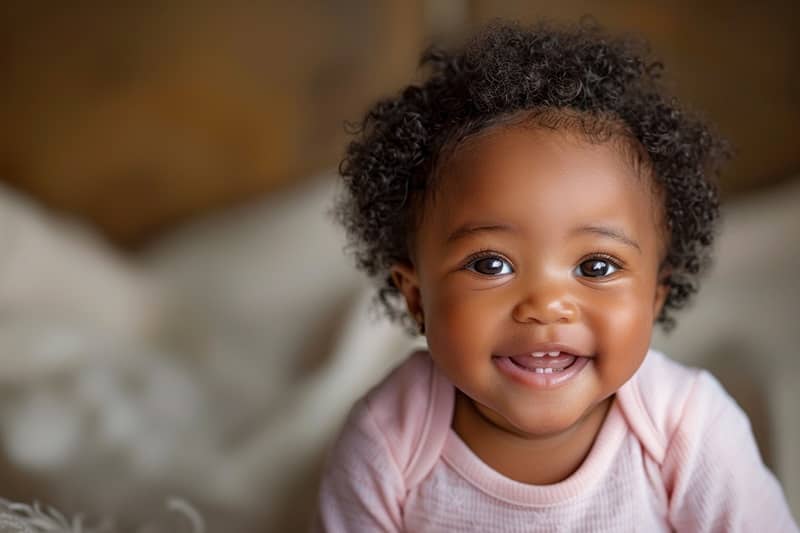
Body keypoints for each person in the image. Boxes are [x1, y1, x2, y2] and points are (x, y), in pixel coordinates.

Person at [315, 20, 798, 532]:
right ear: (416, 297)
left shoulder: (689, 429)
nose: (546, 304)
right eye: (490, 264)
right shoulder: (388, 442)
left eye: (596, 266)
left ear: (656, 296)